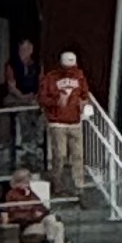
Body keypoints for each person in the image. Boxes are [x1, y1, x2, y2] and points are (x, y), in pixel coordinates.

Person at [40, 47, 91, 194]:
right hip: (57, 122)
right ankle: (58, 184)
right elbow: (42, 99)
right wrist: (57, 101)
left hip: (75, 121)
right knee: (60, 155)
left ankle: (79, 185)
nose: (70, 72)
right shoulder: (50, 78)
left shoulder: (80, 76)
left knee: (78, 155)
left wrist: (85, 107)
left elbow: (85, 95)